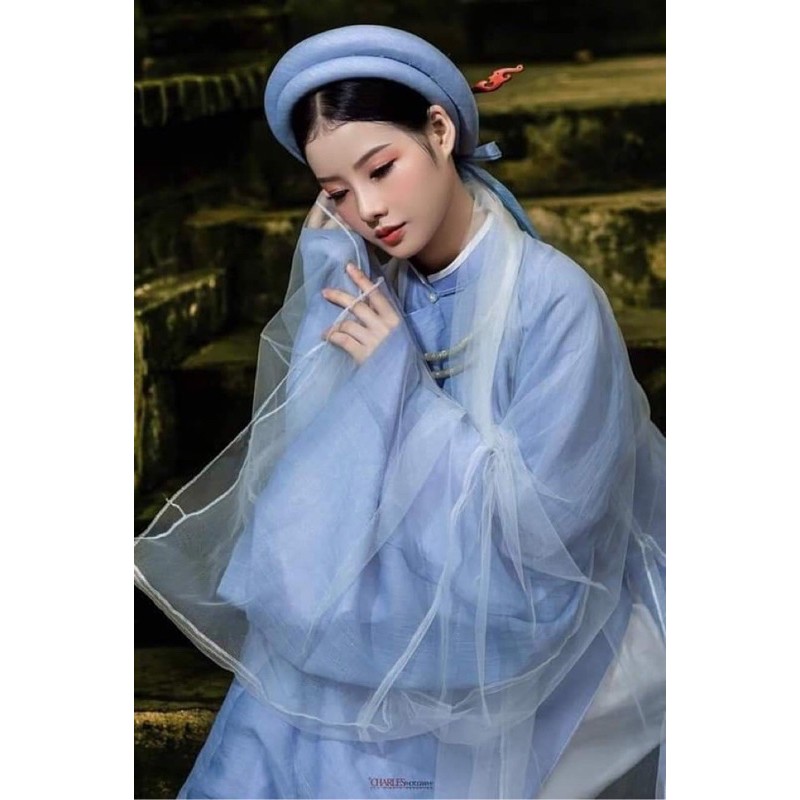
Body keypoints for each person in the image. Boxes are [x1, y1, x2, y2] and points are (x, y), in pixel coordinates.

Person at [134, 25, 666, 799]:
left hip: (523, 612)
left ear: (440, 132)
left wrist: (402, 388)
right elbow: (310, 506)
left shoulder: (556, 302)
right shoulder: (375, 291)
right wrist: (333, 287)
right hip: (402, 586)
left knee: (346, 711)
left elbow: (548, 544)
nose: (371, 209)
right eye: (338, 193)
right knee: (302, 671)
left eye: (382, 167)